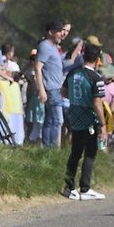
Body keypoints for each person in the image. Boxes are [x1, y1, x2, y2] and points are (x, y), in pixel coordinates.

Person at [62, 43, 107, 200]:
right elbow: (97, 103)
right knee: (90, 153)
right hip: (89, 119)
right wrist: (103, 125)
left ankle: (68, 187)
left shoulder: (73, 72)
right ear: (97, 59)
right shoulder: (96, 77)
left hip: (74, 116)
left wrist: (76, 100)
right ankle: (85, 188)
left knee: (75, 152)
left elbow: (63, 91)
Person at [35, 19, 69, 147]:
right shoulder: (45, 46)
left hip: (56, 89)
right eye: (59, 31)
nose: (62, 34)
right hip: (51, 89)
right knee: (57, 120)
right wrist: (41, 90)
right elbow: (38, 67)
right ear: (51, 32)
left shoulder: (54, 47)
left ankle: (48, 149)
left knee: (50, 120)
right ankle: (53, 148)